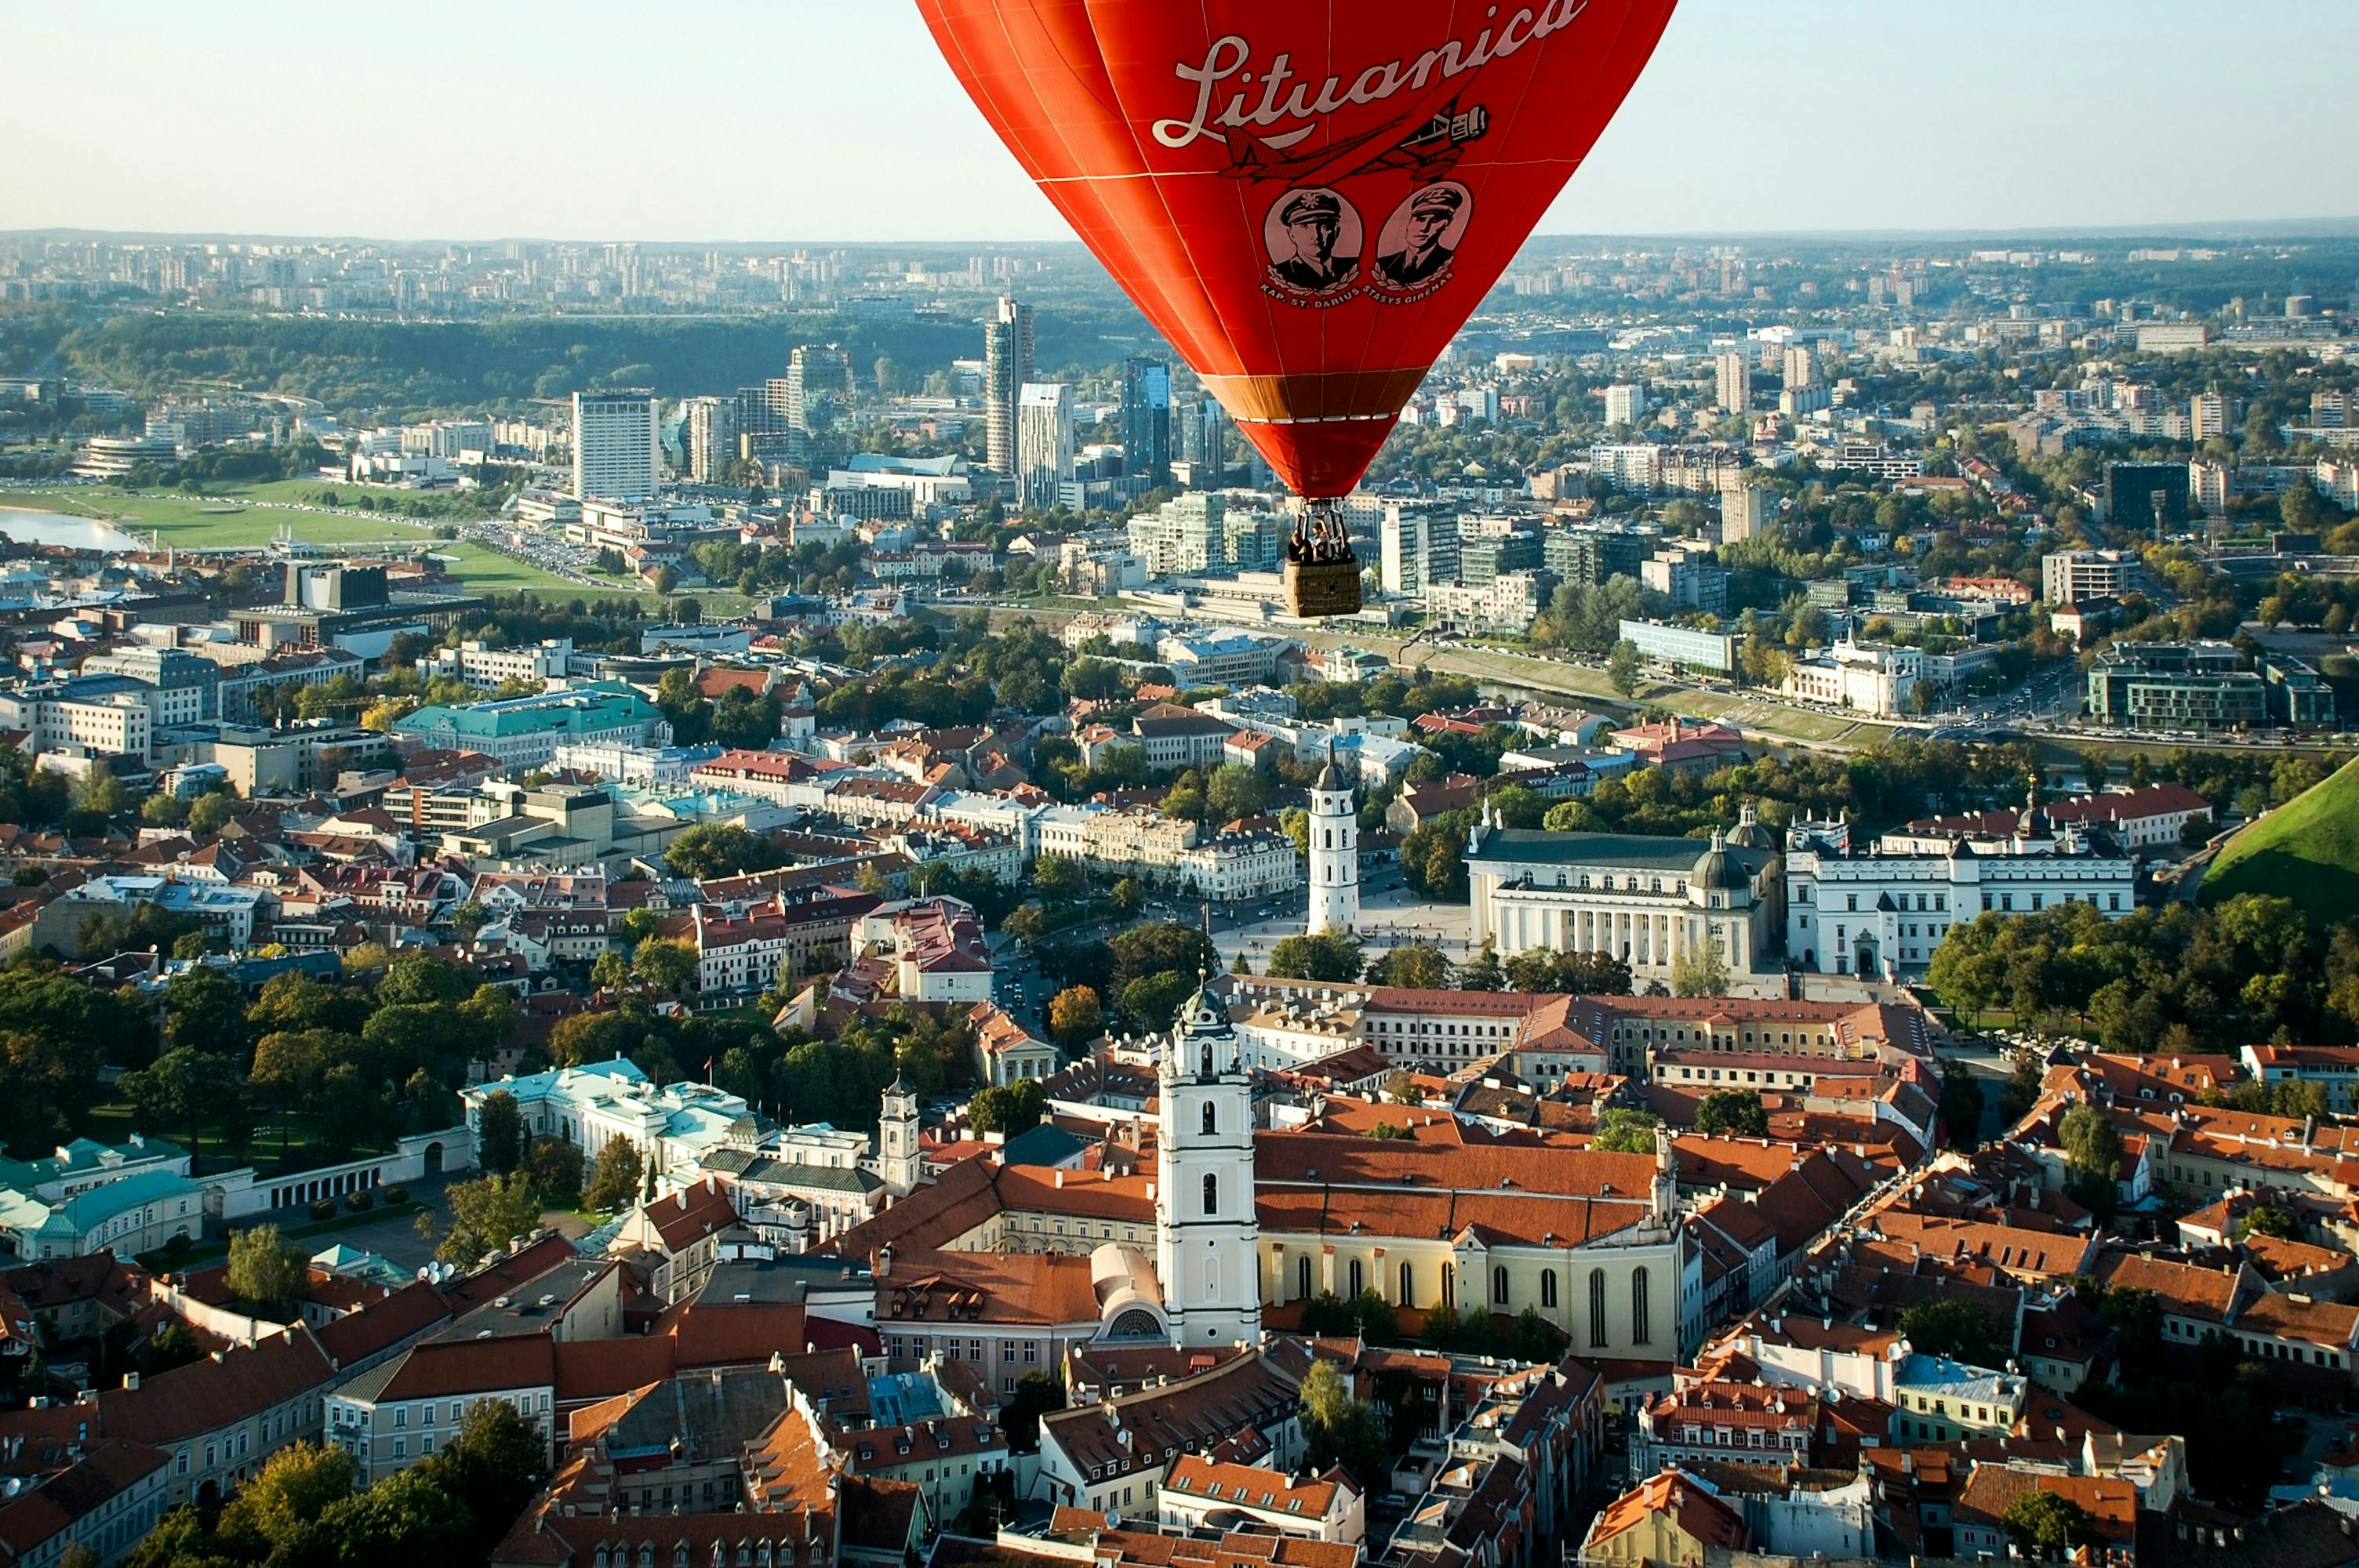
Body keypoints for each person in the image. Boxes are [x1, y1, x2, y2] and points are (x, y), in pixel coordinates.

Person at [1374, 183, 1464, 289]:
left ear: (1447, 224)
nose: (1424, 228)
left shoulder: (1448, 260)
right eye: (1420, 219)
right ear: (1409, 222)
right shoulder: (1385, 262)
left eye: (1435, 220)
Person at [1268, 190, 1356, 293]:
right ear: (1291, 234)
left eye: (1325, 226)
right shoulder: (1280, 273)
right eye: (1305, 227)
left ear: (1337, 231)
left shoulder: (1353, 266)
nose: (1316, 235)